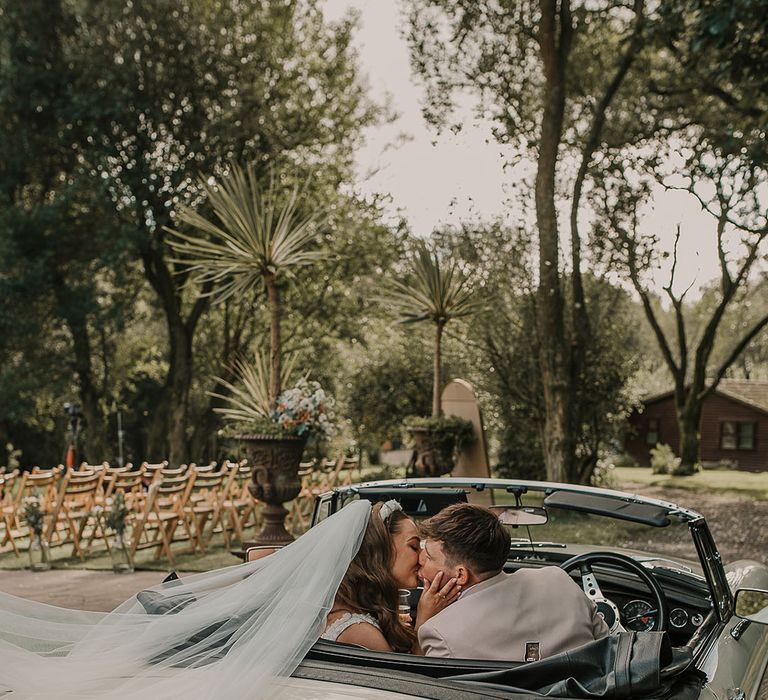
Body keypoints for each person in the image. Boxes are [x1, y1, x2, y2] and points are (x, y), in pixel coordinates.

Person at [0, 498, 455, 699]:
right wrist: (428, 622)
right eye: (414, 545)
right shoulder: (358, 629)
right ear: (377, 552)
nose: (421, 555)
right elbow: (409, 680)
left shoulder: (340, 607)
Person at [416, 503, 611, 661]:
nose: (420, 558)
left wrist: (422, 622)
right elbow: (609, 649)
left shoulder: (439, 632)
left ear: (460, 575)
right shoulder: (558, 578)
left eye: (430, 557)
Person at [322, 499, 458, 652]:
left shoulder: (354, 608)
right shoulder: (359, 632)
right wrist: (423, 621)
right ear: (379, 554)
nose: (422, 558)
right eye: (414, 546)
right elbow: (408, 676)